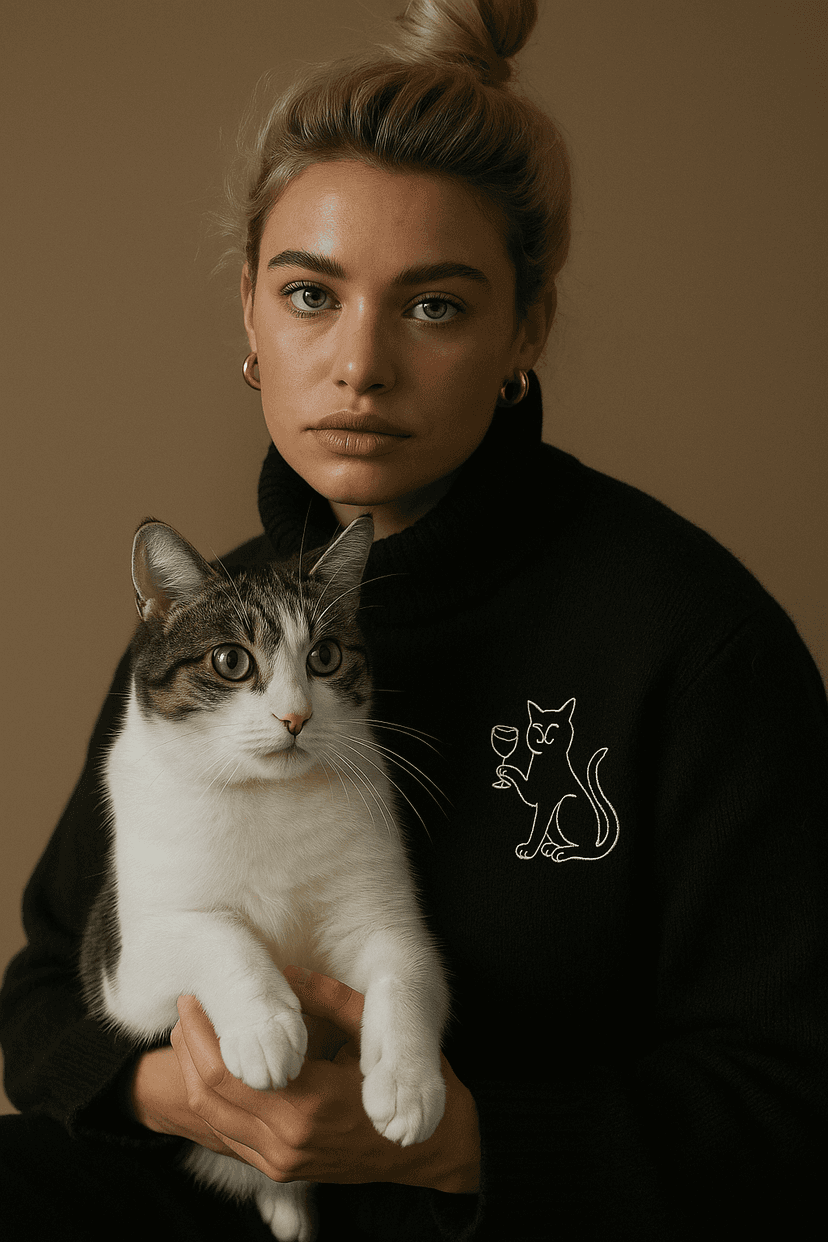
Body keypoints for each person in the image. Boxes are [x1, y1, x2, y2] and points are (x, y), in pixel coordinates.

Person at [1, 2, 826, 1239]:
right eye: (309, 294)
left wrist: (455, 1148)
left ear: (524, 332)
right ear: (249, 316)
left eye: (433, 305)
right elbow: (42, 1002)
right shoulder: (200, 623)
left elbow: (793, 1106)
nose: (359, 365)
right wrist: (188, 1095)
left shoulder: (691, 638)